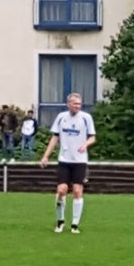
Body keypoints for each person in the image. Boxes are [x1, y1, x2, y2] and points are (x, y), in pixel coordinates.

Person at [39, 93, 96, 234]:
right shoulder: (61, 117)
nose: (78, 106)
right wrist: (46, 156)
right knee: (61, 190)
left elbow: (92, 137)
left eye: (79, 104)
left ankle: (75, 225)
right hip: (64, 159)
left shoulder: (86, 118)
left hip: (80, 160)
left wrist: (85, 144)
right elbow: (55, 138)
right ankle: (60, 221)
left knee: (77, 190)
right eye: (75, 103)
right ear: (68, 104)